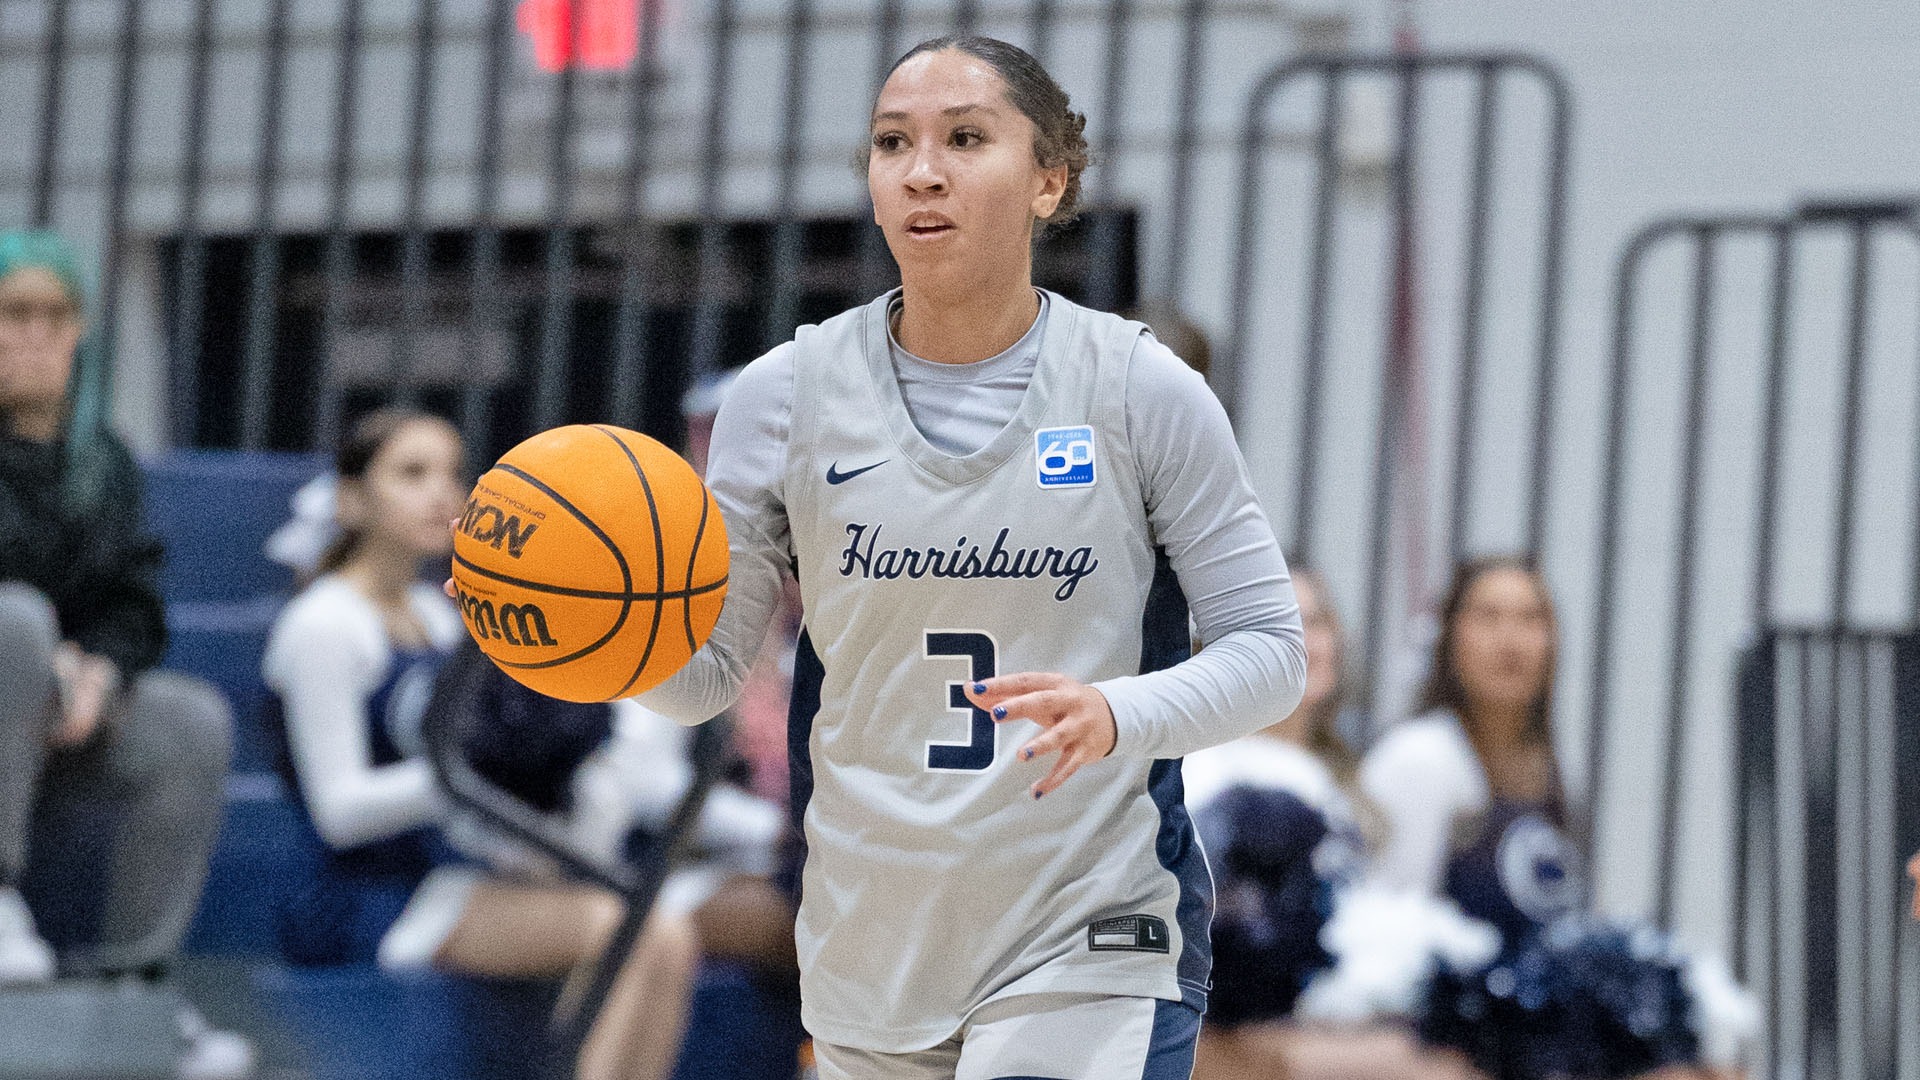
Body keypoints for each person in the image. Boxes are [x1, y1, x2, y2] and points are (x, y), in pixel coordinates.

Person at [632, 35, 1306, 1080]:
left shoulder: (1139, 389)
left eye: (964, 138)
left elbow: (1271, 652)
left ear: (1049, 180)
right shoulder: (784, 396)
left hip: (1088, 924)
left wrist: (1119, 713)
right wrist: (587, 639)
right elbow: (705, 678)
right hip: (873, 939)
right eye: (891, 142)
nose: (922, 170)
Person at [262, 407, 696, 1080]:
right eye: (412, 473)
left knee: (666, 933)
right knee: (624, 932)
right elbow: (339, 812)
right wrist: (468, 773)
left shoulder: (440, 616)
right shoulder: (323, 623)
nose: (442, 493)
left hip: (459, 875)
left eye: (453, 473)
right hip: (370, 898)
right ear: (351, 499)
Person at [0, 229, 249, 1076]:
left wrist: (100, 670)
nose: (35, 335)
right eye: (12, 313)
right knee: (16, 622)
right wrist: (45, 656)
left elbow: (132, 607)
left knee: (187, 718)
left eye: (54, 315)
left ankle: (133, 982)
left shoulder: (102, 463)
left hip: (44, 724)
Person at [1361, 556, 1751, 1080]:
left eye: (1531, 619)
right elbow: (1382, 946)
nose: (1511, 640)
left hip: (1540, 1041)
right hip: (1451, 1047)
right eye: (1488, 617)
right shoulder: (1421, 758)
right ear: (1450, 639)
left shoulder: (1552, 769)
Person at [1184, 570, 1480, 1080]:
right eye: (1277, 622)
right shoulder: (1207, 771)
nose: (1305, 641)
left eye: (1316, 621)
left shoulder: (1339, 782)